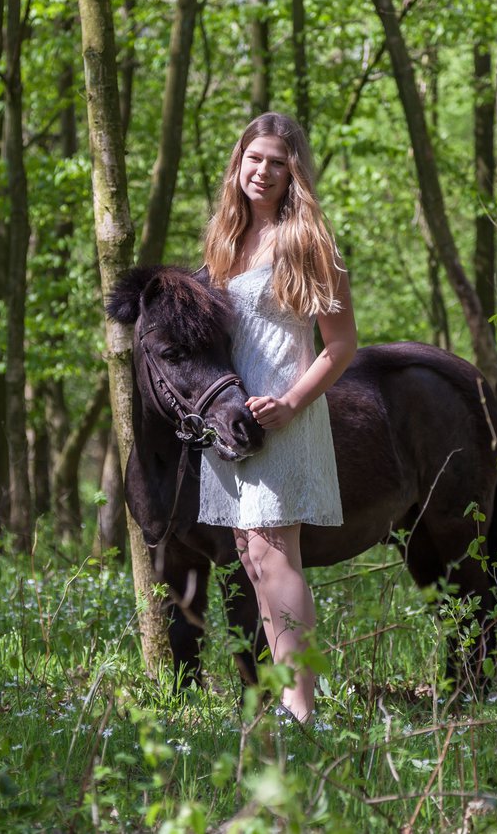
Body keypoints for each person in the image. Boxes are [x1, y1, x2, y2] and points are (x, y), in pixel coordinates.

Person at [197, 113, 357, 723]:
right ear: (238, 166)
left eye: (278, 163)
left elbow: (342, 345)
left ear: (295, 174)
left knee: (274, 550)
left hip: (282, 413)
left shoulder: (307, 241)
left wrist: (291, 404)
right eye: (254, 160)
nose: (263, 172)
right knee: (250, 550)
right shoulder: (225, 241)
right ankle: (290, 701)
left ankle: (302, 709)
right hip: (230, 417)